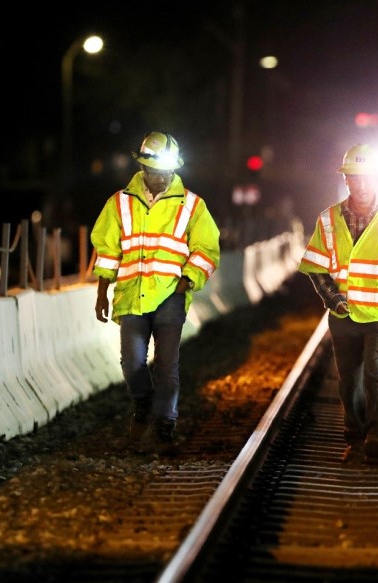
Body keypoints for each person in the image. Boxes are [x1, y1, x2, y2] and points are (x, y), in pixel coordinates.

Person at [91, 131, 221, 452]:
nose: (159, 177)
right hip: (132, 296)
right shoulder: (119, 203)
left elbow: (206, 249)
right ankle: (144, 403)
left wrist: (187, 280)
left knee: (167, 365)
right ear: (142, 167)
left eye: (165, 171)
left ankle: (165, 423)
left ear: (174, 169)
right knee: (132, 363)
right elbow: (107, 250)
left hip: (170, 297)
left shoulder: (192, 205)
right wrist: (101, 292)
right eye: (154, 171)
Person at [298, 143, 378, 464]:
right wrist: (334, 299)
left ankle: (376, 432)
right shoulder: (328, 219)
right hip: (343, 316)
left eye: (368, 177)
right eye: (356, 178)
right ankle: (354, 436)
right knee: (349, 381)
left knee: (375, 372)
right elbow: (316, 269)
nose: (362, 184)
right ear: (347, 181)